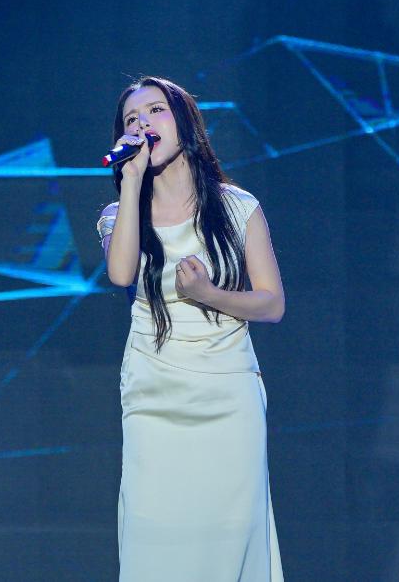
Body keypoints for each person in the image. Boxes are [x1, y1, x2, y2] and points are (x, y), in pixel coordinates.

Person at [97, 76, 285, 581]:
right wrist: (131, 180)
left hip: (227, 394)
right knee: (154, 536)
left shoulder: (237, 207)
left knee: (229, 535)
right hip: (155, 394)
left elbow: (271, 303)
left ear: (185, 121)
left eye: (155, 110)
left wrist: (209, 295)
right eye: (132, 119)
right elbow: (121, 274)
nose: (143, 123)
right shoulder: (119, 215)